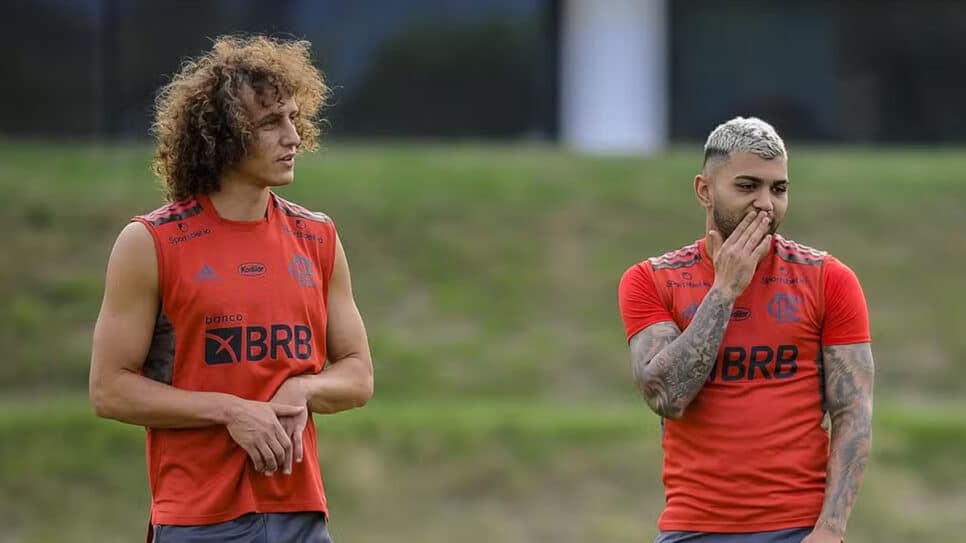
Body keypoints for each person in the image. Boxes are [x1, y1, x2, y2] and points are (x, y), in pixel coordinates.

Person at [89, 35, 373, 542]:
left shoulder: (318, 237)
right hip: (199, 520)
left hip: (302, 516)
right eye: (270, 124)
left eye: (291, 118)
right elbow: (110, 390)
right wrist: (230, 411)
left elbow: (357, 376)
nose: (293, 137)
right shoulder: (151, 242)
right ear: (221, 137)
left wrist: (304, 388)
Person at [618, 117, 874, 543]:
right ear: (704, 190)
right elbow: (667, 396)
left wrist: (831, 528)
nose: (765, 204)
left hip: (798, 529)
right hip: (693, 528)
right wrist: (724, 290)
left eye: (778, 189)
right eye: (747, 186)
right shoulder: (651, 280)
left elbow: (854, 413)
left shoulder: (829, 279)